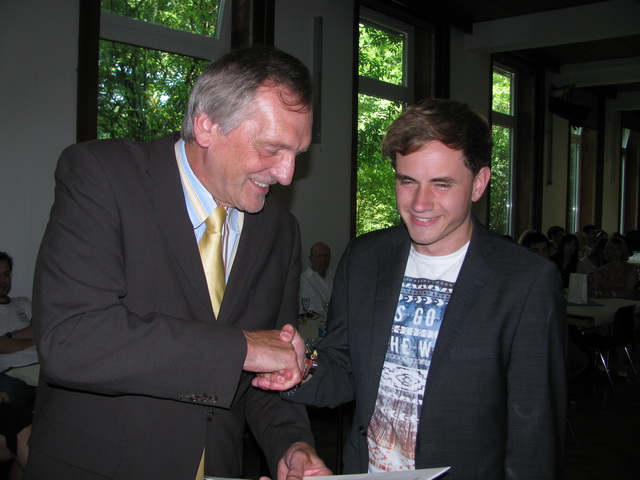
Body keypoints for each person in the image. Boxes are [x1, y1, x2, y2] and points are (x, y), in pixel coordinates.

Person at [26, 46, 330, 480]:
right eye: (272, 149)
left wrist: (292, 445)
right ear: (207, 125)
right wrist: (242, 347)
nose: (286, 174)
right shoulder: (103, 176)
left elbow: (269, 372)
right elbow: (71, 339)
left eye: (297, 153)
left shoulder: (280, 230)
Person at [256, 98, 567, 478]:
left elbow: (533, 431)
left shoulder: (525, 281)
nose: (420, 203)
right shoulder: (365, 258)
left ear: (478, 183)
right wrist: (302, 368)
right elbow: (346, 368)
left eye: (442, 184)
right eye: (408, 181)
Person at [0, 252, 37, 407]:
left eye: (6, 274)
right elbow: (2, 346)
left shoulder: (23, 302)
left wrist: (10, 337)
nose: (3, 280)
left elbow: (42, 329)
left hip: (42, 367)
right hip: (13, 372)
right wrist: (34, 339)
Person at [299, 242, 334, 315]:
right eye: (319, 256)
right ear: (311, 259)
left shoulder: (333, 277)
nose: (323, 260)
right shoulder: (303, 282)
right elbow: (309, 312)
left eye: (326, 256)